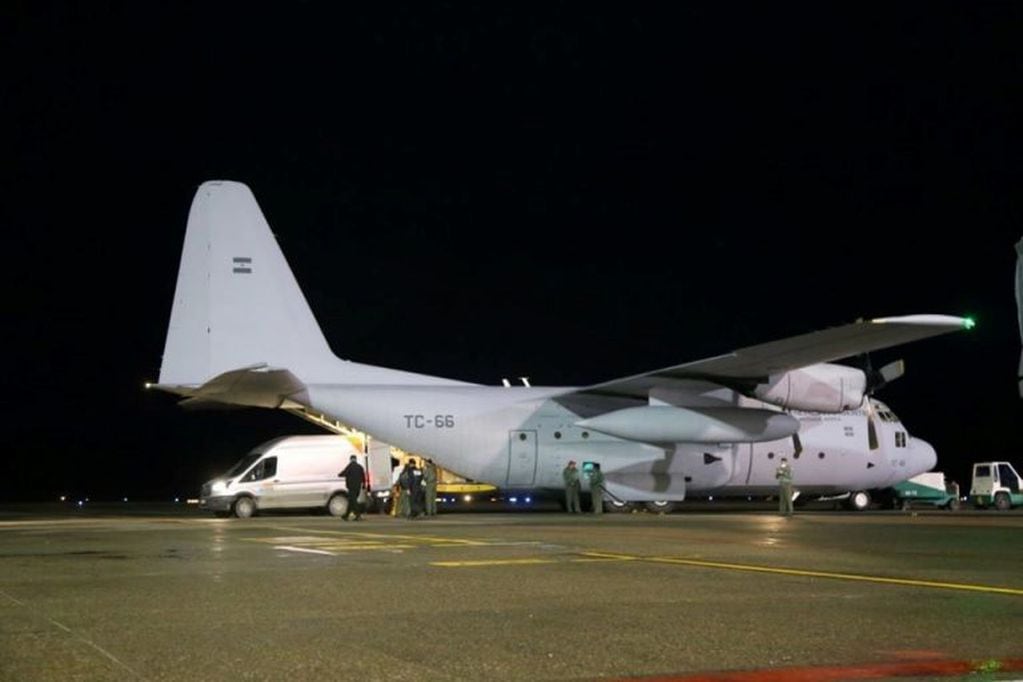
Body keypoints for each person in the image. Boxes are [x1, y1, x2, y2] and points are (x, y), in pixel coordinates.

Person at [338, 454, 366, 521]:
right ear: (356, 459)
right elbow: (363, 477)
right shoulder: (360, 467)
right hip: (358, 487)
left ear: (350, 459)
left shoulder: (350, 466)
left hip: (351, 487)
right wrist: (364, 485)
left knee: (353, 501)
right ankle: (346, 516)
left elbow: (344, 473)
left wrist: (339, 474)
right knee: (351, 501)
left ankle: (358, 515)